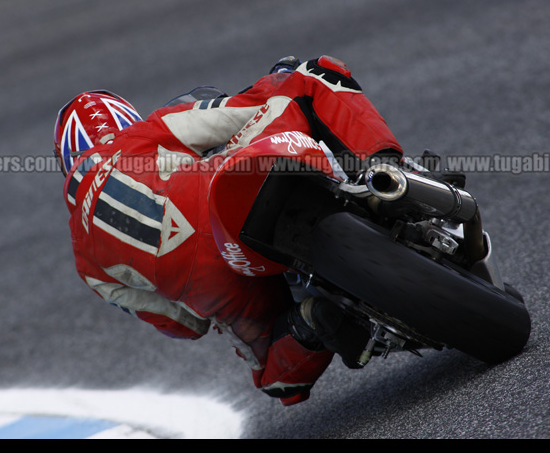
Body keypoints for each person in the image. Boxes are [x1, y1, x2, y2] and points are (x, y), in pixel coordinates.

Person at [54, 56, 403, 405]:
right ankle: (385, 173)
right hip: (218, 202)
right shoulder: (144, 131)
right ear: (125, 116)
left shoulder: (83, 258)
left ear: (67, 158)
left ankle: (308, 325)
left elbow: (185, 325)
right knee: (310, 76)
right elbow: (241, 109)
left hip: (212, 285)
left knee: (272, 376)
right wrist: (278, 78)